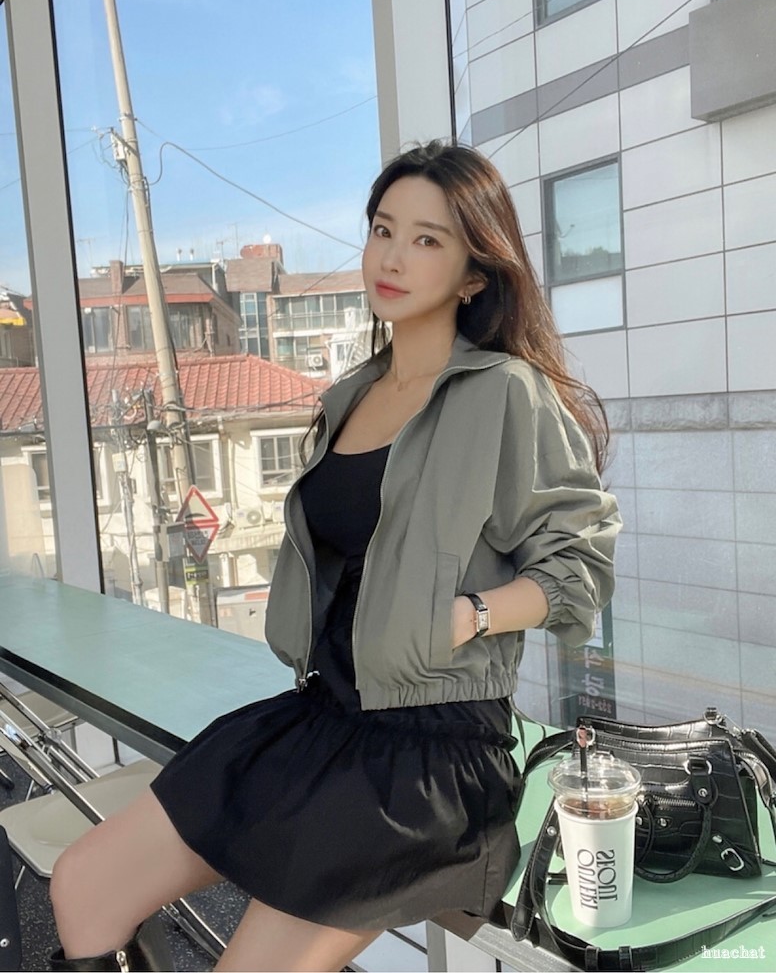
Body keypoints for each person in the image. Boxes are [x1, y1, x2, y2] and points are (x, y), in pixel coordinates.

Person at [48, 140, 621, 972]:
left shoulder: (504, 394)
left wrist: (469, 615)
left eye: (427, 240)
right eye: (383, 230)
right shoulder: (351, 394)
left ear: (473, 275)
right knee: (85, 884)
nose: (392, 257)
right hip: (323, 716)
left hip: (428, 755)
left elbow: (581, 570)